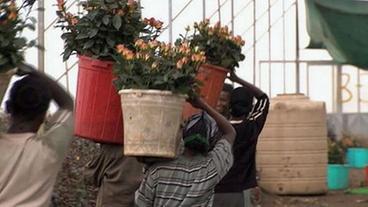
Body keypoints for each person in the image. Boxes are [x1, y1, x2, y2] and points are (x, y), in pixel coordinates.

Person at [135, 97, 236, 207]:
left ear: (184, 135)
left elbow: (142, 203)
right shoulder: (212, 167)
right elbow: (230, 132)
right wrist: (203, 106)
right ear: (211, 140)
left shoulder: (158, 169)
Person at [0, 63, 74, 207]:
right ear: (44, 116)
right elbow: (67, 104)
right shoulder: (51, 149)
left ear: (8, 107)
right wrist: (34, 72)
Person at [214, 72, 269, 207]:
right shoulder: (252, 127)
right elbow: (263, 99)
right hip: (241, 191)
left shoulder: (215, 129)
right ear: (250, 108)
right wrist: (237, 79)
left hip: (215, 191)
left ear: (229, 105)